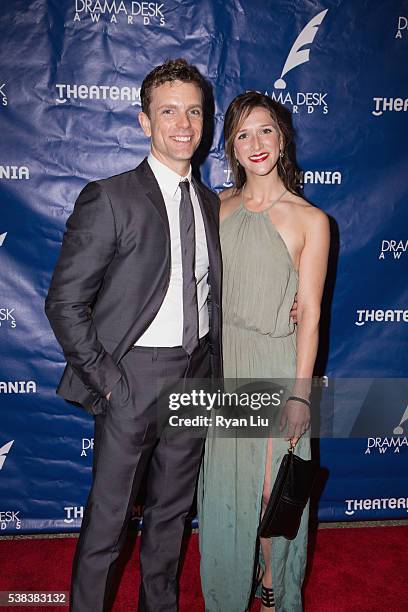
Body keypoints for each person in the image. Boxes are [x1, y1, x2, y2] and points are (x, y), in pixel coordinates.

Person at [45, 58, 222, 612]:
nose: (183, 124)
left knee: (171, 516)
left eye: (194, 111)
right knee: (109, 522)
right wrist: (111, 383)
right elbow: (64, 302)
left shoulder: (213, 203)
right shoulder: (111, 197)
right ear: (145, 121)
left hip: (196, 375)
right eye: (168, 111)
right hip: (132, 380)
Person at [198, 91, 330, 612]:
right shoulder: (217, 207)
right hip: (224, 367)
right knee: (227, 494)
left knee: (273, 495)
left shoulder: (309, 220)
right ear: (230, 144)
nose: (256, 143)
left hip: (276, 367)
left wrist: (301, 394)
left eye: (266, 130)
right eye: (243, 134)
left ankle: (274, 582)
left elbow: (312, 313)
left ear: (283, 138)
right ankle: (229, 592)